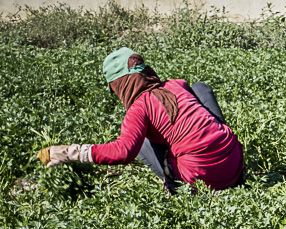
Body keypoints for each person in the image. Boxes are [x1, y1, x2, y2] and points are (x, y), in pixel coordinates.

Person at [37, 47, 244, 192]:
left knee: (140, 140)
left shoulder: (139, 109)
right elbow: (192, 89)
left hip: (204, 180)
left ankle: (175, 187)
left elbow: (123, 152)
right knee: (199, 88)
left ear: (121, 85)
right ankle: (219, 144)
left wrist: (67, 152)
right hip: (235, 165)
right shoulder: (175, 85)